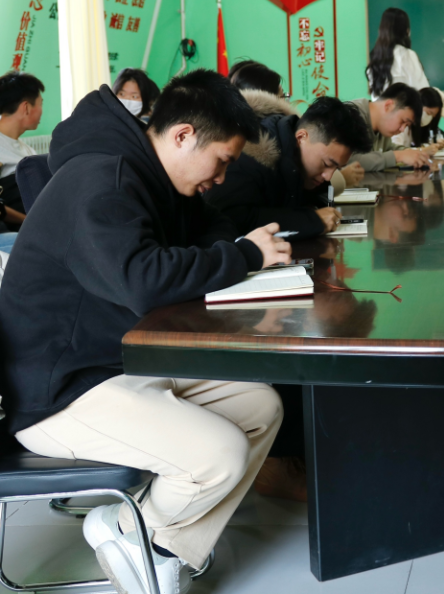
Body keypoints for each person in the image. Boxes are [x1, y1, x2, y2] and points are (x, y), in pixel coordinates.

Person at [0, 69, 293, 594]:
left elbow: (214, 224)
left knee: (260, 406)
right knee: (220, 455)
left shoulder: (156, 173)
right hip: (59, 390)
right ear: (183, 135)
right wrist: (245, 255)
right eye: (222, 160)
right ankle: (133, 534)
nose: (222, 177)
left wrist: (230, 246)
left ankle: (151, 543)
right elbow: (143, 281)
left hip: (119, 363)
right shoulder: (103, 179)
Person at [205, 96, 372, 240]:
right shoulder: (253, 155)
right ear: (301, 137)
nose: (328, 176)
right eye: (327, 164)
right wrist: (311, 220)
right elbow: (231, 218)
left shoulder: (298, 160)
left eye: (337, 168)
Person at [0, 70, 46, 227]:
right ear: (26, 107)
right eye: (41, 104)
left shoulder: (28, 151)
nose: (41, 111)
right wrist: (30, 222)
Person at [349, 82, 429, 170]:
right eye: (403, 121)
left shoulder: (382, 126)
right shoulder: (351, 115)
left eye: (406, 125)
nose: (402, 129)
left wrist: (411, 153)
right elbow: (349, 161)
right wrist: (398, 156)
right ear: (388, 106)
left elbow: (389, 149)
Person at [367, 7, 432, 97]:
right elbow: (423, 92)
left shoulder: (375, 58)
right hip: (404, 106)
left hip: (380, 106)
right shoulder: (407, 55)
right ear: (406, 31)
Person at [393, 86, 444, 151]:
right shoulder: (403, 122)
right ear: (419, 105)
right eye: (428, 113)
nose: (429, 118)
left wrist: (434, 146)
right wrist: (422, 151)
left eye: (432, 116)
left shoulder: (419, 127)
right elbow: (395, 150)